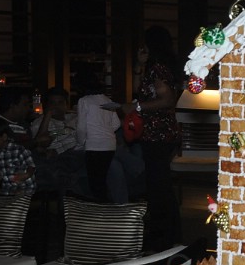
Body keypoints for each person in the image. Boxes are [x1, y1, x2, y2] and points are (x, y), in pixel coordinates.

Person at [123, 26, 182, 250]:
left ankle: (162, 237)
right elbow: (140, 89)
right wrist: (139, 65)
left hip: (159, 133)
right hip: (155, 133)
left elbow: (167, 100)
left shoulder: (159, 69)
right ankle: (169, 235)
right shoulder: (154, 67)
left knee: (159, 187)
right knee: (159, 185)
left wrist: (137, 106)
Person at [75, 69, 121, 201]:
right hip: (109, 145)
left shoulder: (84, 101)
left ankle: (100, 214)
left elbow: (81, 128)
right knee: (102, 180)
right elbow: (117, 124)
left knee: (95, 184)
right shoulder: (107, 100)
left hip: (93, 146)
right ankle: (106, 211)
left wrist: (80, 142)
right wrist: (105, 131)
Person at [0, 117, 36, 195]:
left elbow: (31, 165)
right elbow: (2, 170)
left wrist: (26, 175)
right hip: (8, 189)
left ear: (4, 137)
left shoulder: (18, 150)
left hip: (24, 189)